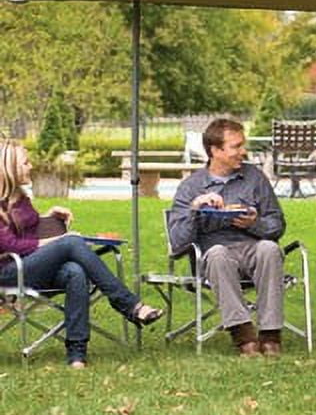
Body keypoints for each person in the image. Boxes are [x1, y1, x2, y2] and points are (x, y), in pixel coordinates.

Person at [0, 139, 163, 368]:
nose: (30, 167)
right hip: (9, 272)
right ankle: (128, 304)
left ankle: (77, 354)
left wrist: (48, 217)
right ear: (9, 167)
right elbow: (12, 245)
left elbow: (25, 230)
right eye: (25, 163)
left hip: (32, 267)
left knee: (75, 272)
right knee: (72, 242)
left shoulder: (21, 197)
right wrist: (60, 240)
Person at [169, 118, 286, 357]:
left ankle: (270, 335)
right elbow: (178, 243)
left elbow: (277, 225)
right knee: (218, 254)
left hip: (252, 251)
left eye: (243, 145)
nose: (243, 152)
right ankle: (244, 336)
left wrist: (255, 224)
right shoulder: (191, 187)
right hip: (215, 257)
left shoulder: (254, 178)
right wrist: (195, 210)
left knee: (270, 249)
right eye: (236, 146)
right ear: (215, 150)